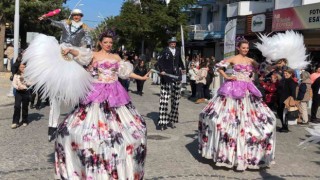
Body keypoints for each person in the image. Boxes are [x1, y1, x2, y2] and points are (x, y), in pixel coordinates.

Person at [198, 39, 277, 170]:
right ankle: (228, 151)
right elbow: (217, 66)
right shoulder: (233, 58)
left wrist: (272, 64)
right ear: (238, 48)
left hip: (248, 91)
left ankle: (245, 152)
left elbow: (262, 70)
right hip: (233, 90)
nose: (246, 49)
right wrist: (227, 77)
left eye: (247, 48)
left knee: (256, 119)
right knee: (229, 119)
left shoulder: (251, 61)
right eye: (244, 47)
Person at [39, 8, 92, 141]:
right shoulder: (64, 23)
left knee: (76, 93)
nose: (76, 17)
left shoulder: (85, 28)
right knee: (54, 95)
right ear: (72, 15)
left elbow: (88, 42)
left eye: (79, 15)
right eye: (75, 15)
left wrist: (89, 53)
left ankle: (75, 124)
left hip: (74, 55)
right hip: (60, 53)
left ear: (81, 16)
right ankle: (52, 126)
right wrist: (46, 18)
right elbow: (54, 22)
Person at [157, 37, 185, 130]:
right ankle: (163, 122)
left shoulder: (177, 51)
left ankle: (172, 120)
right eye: (172, 42)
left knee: (176, 100)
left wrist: (183, 68)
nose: (173, 43)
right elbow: (159, 62)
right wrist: (162, 70)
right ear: (169, 43)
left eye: (175, 42)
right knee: (164, 100)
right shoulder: (164, 51)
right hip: (166, 77)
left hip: (176, 76)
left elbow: (180, 61)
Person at [11, 63, 31, 129]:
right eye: (21, 67)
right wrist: (17, 87)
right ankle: (15, 122)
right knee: (17, 106)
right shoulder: (16, 75)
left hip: (26, 92)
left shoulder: (29, 75)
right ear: (19, 68)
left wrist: (24, 80)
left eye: (24, 67)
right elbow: (13, 83)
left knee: (25, 107)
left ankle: (24, 120)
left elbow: (31, 83)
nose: (22, 68)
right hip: (18, 92)